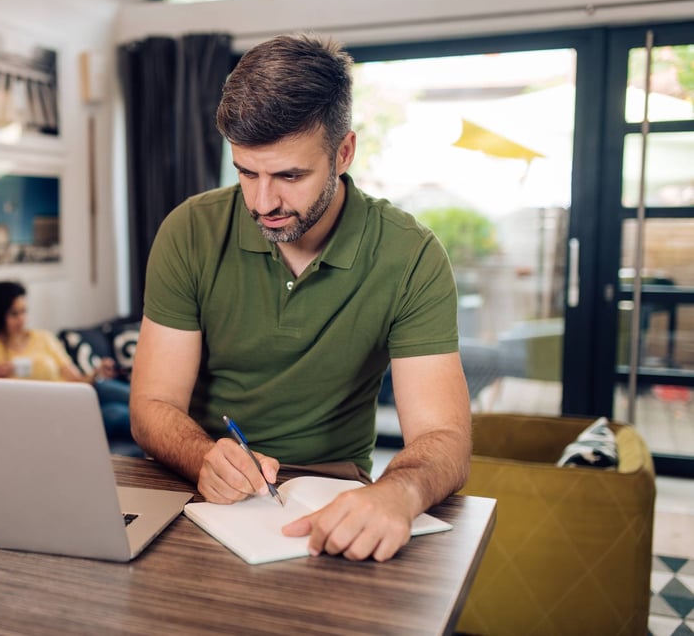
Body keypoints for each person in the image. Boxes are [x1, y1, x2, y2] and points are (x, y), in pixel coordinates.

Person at [129, 34, 472, 562]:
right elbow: (152, 406)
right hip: (196, 484)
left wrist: (399, 492)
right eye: (247, 172)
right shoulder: (189, 230)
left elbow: (444, 436)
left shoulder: (411, 255)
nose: (263, 202)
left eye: (289, 175)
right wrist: (201, 456)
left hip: (334, 492)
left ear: (344, 153)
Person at [0, 281, 131, 439]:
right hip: (57, 415)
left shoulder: (43, 338)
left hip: (77, 396)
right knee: (115, 413)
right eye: (14, 314)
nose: (22, 319)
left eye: (24, 311)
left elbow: (77, 381)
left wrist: (96, 373)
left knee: (125, 395)